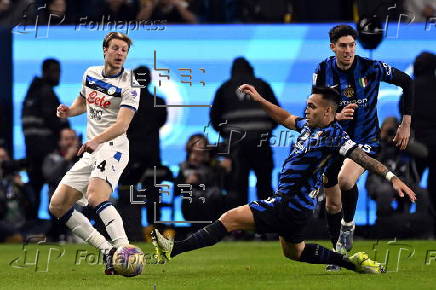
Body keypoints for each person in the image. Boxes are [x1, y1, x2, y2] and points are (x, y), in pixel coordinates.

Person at [151, 85, 416, 274]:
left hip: (288, 203)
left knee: (230, 218)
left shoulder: (335, 137)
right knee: (295, 252)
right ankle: (353, 263)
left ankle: (172, 249)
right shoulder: (310, 126)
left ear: (327, 112)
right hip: (296, 209)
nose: (306, 109)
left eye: (312, 106)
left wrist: (392, 177)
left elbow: (362, 158)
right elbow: (285, 118)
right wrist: (259, 99)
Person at [312, 25, 414, 265]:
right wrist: (335, 116)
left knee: (346, 180)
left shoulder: (372, 67)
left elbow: (407, 82)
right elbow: (316, 109)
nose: (348, 51)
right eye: (342, 46)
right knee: (332, 202)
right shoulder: (322, 70)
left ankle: (348, 225)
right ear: (333, 47)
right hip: (334, 141)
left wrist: (405, 123)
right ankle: (338, 255)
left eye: (351, 45)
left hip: (365, 139)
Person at [48, 32, 140, 275]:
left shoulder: (131, 83)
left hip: (114, 147)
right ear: (105, 50)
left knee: (96, 196)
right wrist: (68, 112)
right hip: (92, 149)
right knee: (58, 206)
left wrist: (95, 141)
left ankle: (124, 250)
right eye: (116, 48)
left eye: (124, 50)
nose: (120, 54)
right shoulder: (90, 74)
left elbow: (122, 125)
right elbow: (82, 102)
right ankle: (108, 251)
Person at [210, 57, 279, 208]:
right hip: (261, 143)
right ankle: (266, 225)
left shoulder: (224, 88)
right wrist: (265, 130)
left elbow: (215, 118)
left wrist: (228, 136)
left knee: (238, 186)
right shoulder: (262, 85)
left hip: (236, 146)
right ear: (251, 69)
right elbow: (276, 113)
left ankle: (239, 228)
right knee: (265, 184)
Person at [117, 65, 167, 241]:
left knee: (128, 195)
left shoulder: (126, 105)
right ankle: (156, 233)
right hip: (152, 155)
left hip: (129, 156)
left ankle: (132, 232)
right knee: (154, 196)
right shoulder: (159, 103)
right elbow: (161, 121)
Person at [21, 58, 70, 220]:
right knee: (54, 191)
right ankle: (53, 231)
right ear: (46, 72)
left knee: (34, 190)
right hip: (45, 153)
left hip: (32, 152)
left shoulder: (32, 92)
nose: (59, 75)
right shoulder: (45, 93)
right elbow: (56, 121)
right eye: (56, 71)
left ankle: (31, 228)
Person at [410, 51, 436, 236]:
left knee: (411, 186)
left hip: (417, 147)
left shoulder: (411, 88)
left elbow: (405, 116)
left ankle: (414, 227)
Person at [43, 128, 80, 241]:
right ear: (60, 142)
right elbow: (50, 177)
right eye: (66, 139)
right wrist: (66, 159)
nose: (70, 142)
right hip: (60, 196)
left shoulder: (85, 157)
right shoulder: (51, 158)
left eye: (73, 138)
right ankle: (68, 235)